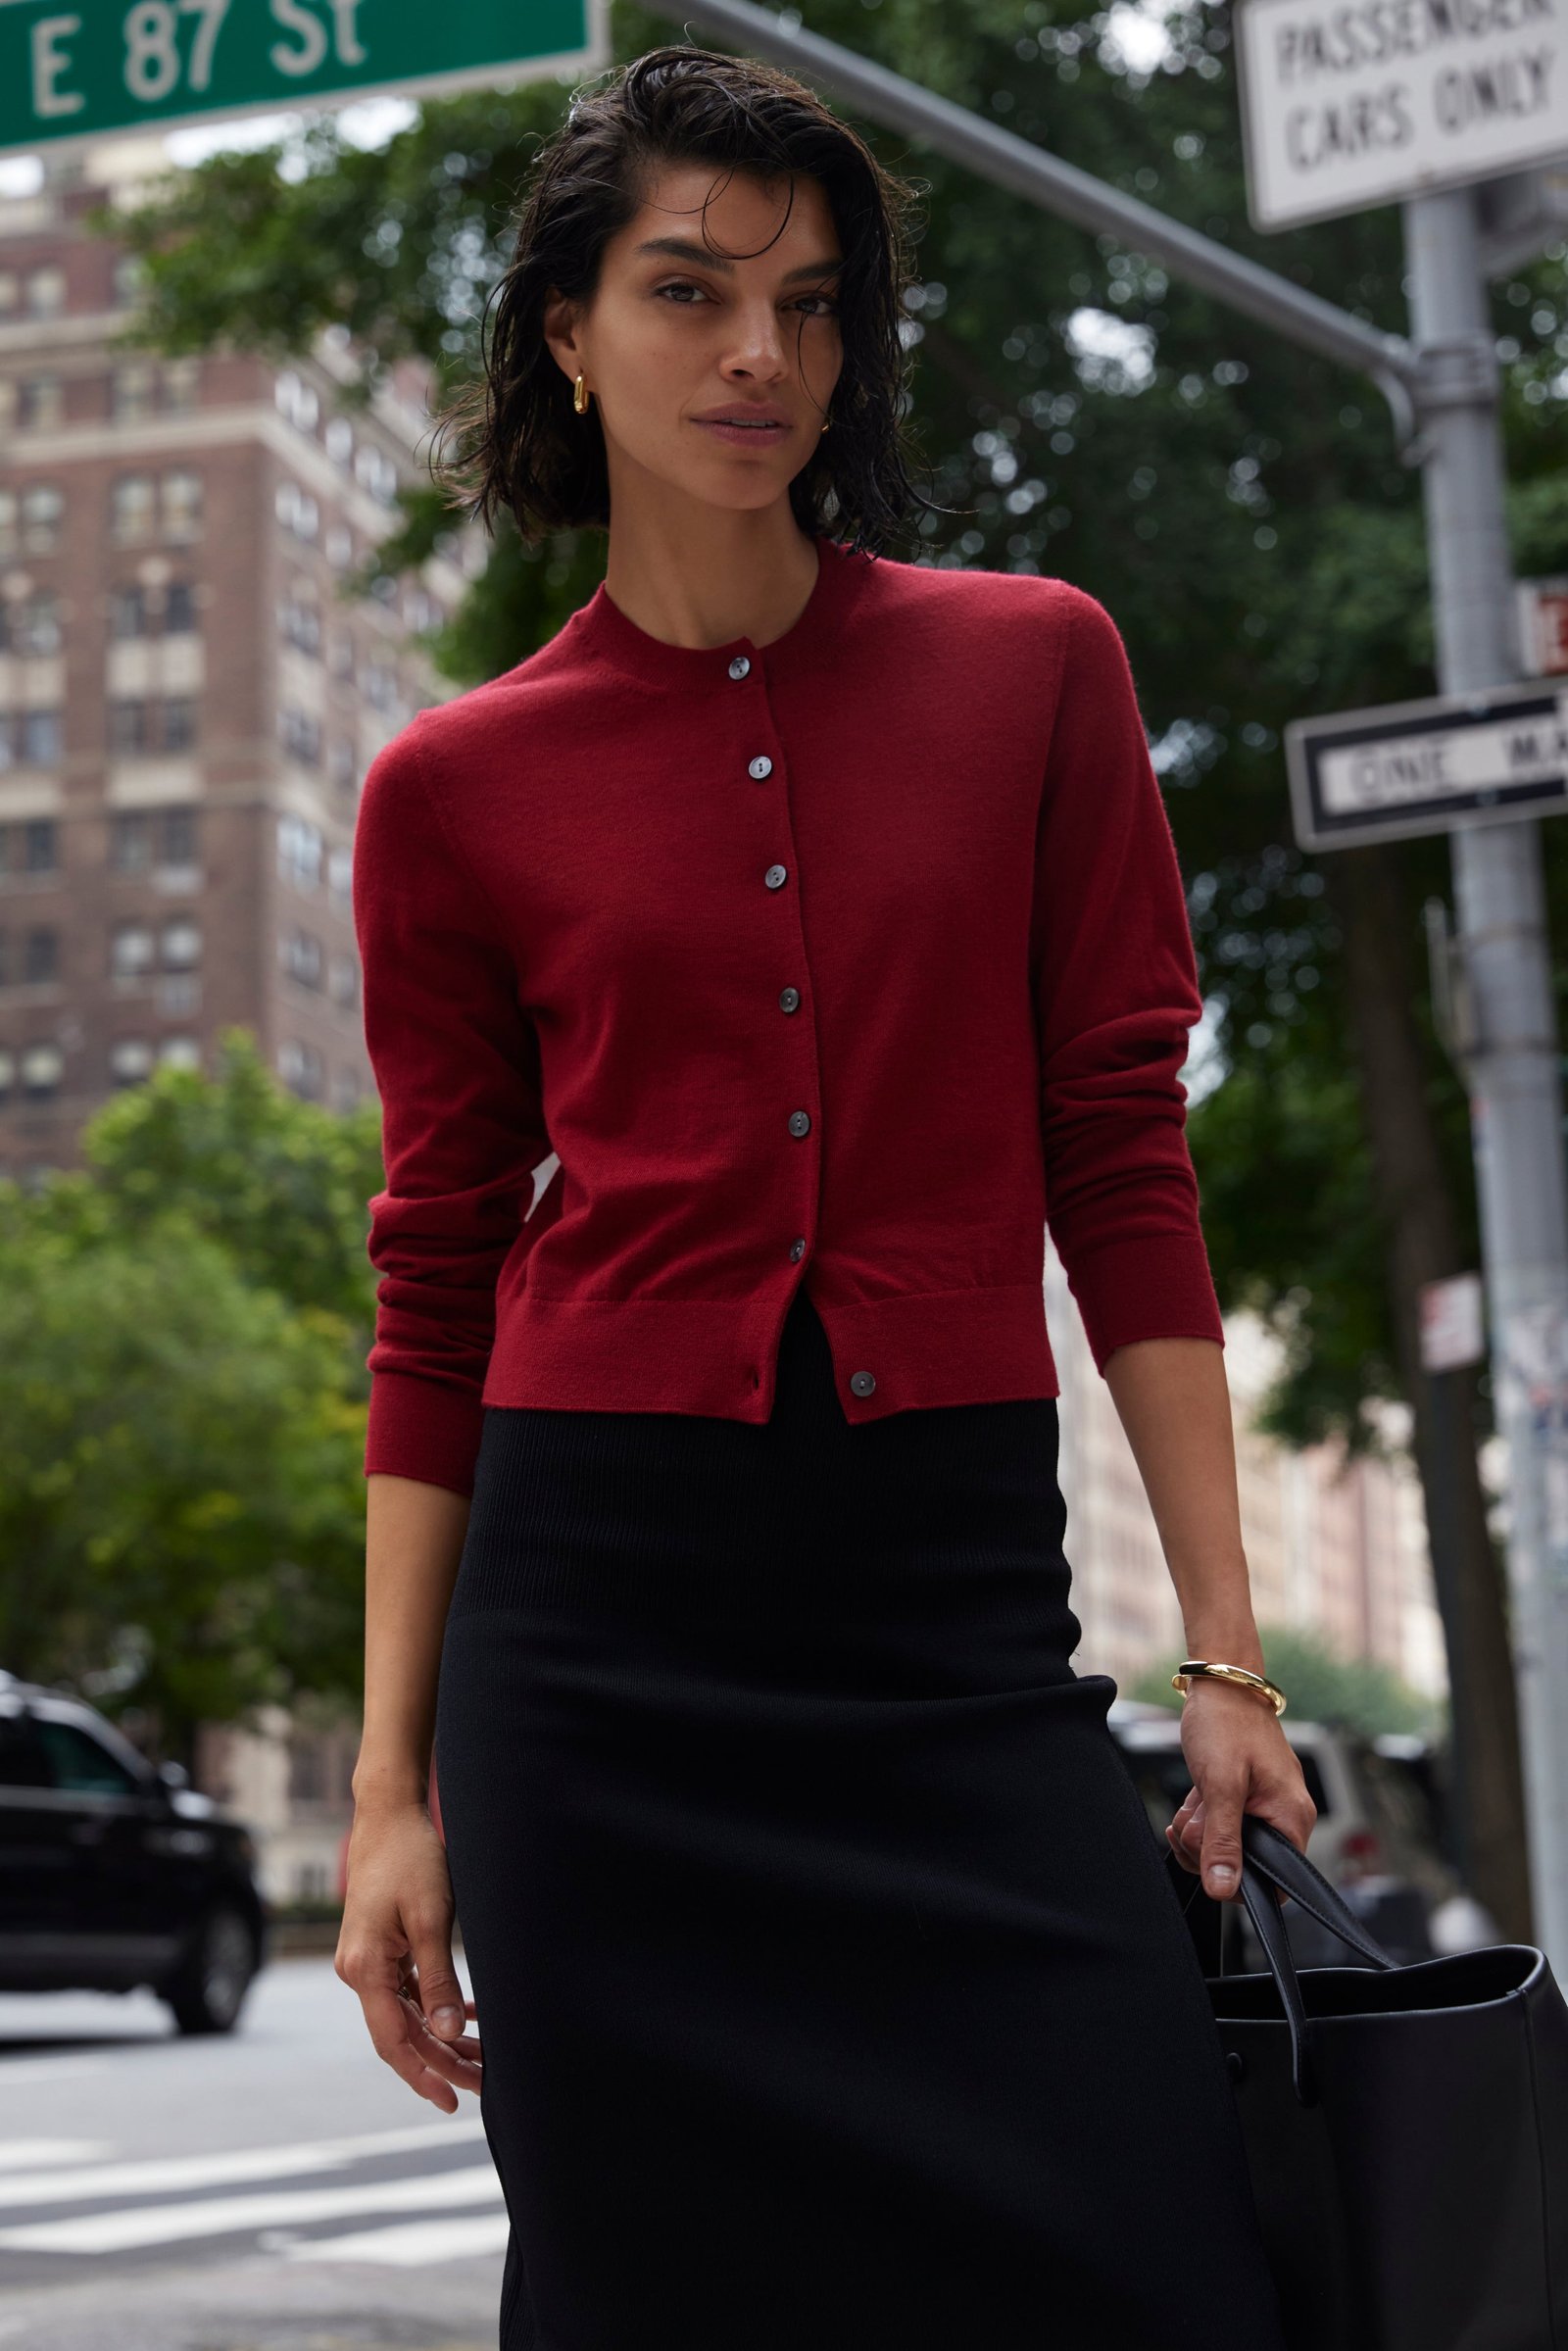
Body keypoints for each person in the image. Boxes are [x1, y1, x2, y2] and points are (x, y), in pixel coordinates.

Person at [335, 41, 1312, 2350]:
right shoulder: (452, 789)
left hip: (943, 1623)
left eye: (803, 299)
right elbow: (435, 1276)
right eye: (685, 291)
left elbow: (1117, 1158)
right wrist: (389, 1788)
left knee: (1152, 2267)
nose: (756, 352)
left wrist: (1221, 1646)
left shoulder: (1028, 669)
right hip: (596, 1651)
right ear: (564, 334)